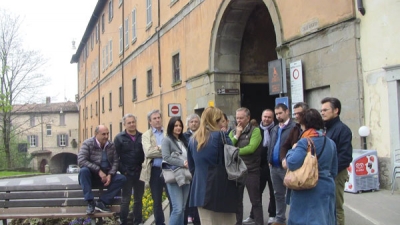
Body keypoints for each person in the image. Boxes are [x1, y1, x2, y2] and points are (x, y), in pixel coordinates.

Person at [284, 108, 338, 225]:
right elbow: (334, 169)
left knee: (306, 219)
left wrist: (291, 151)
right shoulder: (330, 142)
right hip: (326, 186)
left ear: (305, 124)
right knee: (325, 219)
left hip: (308, 188)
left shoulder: (304, 142)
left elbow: (293, 163)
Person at [187, 106, 236, 225]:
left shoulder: (193, 139)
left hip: (199, 190)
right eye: (222, 121)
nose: (223, 123)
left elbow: (191, 167)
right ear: (216, 121)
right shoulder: (221, 136)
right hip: (221, 189)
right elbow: (233, 159)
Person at [78, 125, 127, 215]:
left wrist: (110, 175)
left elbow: (116, 162)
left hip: (106, 176)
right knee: (83, 171)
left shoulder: (111, 145)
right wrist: (98, 171)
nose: (106, 136)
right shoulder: (88, 143)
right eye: (103, 134)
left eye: (107, 134)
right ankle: (90, 202)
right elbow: (81, 160)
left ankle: (102, 202)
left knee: (122, 178)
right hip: (92, 176)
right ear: (96, 134)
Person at [229, 107, 264, 225]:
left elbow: (251, 148)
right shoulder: (233, 132)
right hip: (237, 171)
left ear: (248, 118)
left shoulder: (255, 131)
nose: (238, 121)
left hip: (251, 170)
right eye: (237, 118)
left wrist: (235, 150)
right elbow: (228, 147)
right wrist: (237, 135)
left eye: (241, 118)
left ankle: (259, 222)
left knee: (255, 201)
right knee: (237, 201)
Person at [321, 97, 353, 225]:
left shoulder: (343, 129)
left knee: (336, 207)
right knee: (327, 206)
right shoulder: (325, 129)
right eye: (321, 110)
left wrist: (331, 171)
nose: (322, 112)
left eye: (325, 110)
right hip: (326, 174)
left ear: (336, 111)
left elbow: (345, 156)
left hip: (336, 174)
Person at [243, 109, 276, 225]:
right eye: (265, 117)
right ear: (261, 117)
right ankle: (252, 215)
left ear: (273, 118)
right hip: (260, 166)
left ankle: (273, 214)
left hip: (272, 165)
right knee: (257, 193)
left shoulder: (275, 130)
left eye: (269, 117)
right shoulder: (257, 130)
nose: (266, 119)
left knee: (273, 192)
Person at [140, 109, 171, 225]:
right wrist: (165, 150)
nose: (158, 120)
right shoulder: (146, 135)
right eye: (155, 118)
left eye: (159, 118)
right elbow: (148, 153)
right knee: (157, 200)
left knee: (172, 198)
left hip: (169, 169)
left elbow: (173, 150)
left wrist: (158, 148)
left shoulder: (168, 133)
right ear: (150, 121)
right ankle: (160, 223)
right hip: (154, 171)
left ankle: (173, 221)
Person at [268, 103, 296, 225]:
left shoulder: (294, 127)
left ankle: (294, 219)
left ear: (287, 112)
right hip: (274, 167)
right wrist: (269, 159)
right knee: (278, 194)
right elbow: (271, 145)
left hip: (287, 167)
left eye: (280, 113)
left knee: (293, 194)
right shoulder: (275, 128)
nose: (278, 116)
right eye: (276, 114)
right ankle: (280, 219)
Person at [114, 114, 145, 225]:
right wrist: (123, 170)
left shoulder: (142, 136)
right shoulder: (119, 138)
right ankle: (123, 221)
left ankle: (138, 221)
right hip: (126, 173)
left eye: (133, 122)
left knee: (138, 199)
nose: (132, 124)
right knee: (125, 199)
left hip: (139, 172)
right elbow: (115, 157)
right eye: (129, 123)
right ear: (124, 125)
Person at [162, 117, 191, 225]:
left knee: (183, 208)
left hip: (186, 176)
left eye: (180, 125)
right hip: (174, 176)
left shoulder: (184, 139)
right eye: (176, 125)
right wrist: (182, 163)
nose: (178, 128)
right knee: (177, 208)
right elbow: (166, 157)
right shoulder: (167, 140)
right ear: (171, 127)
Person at [183, 114, 201, 225]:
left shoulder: (203, 134)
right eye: (192, 122)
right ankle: (189, 214)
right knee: (189, 194)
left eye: (196, 121)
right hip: (187, 166)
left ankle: (196, 216)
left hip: (198, 167)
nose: (194, 123)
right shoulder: (184, 136)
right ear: (188, 124)